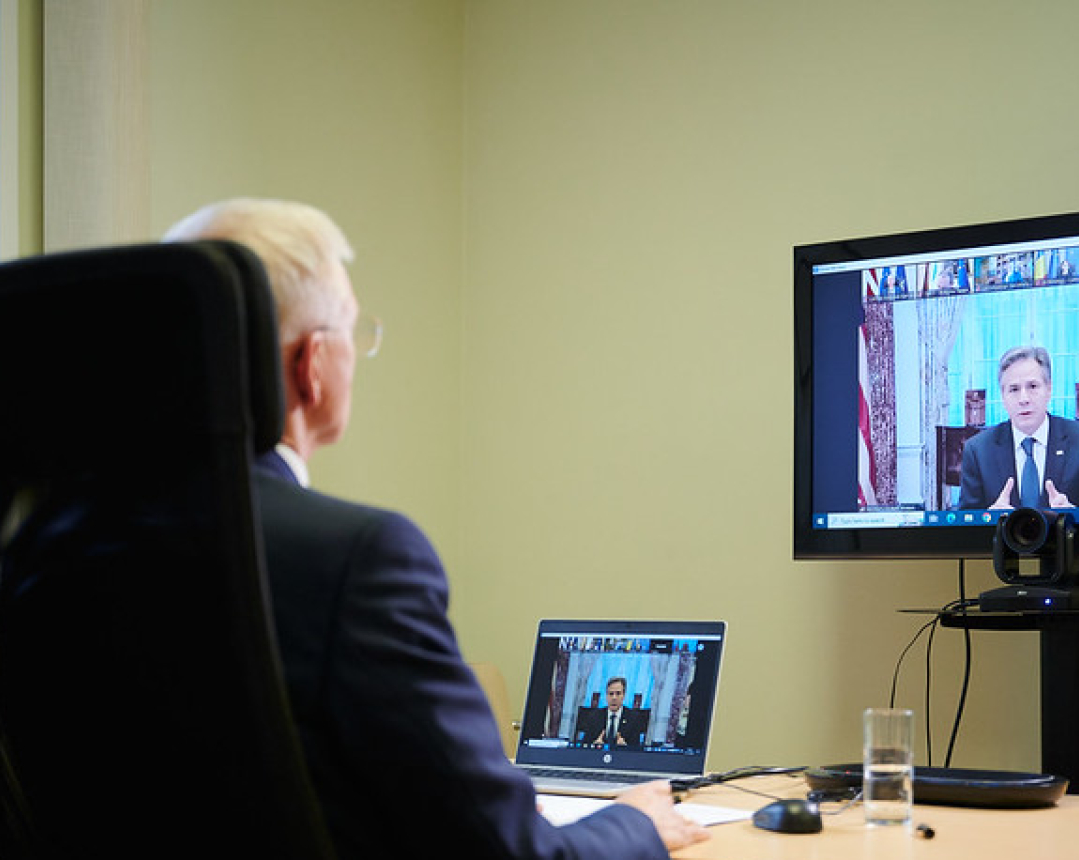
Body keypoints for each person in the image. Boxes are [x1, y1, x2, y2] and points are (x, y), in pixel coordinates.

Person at [164, 198, 706, 859]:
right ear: (311, 365)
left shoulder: (47, 549)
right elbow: (510, 855)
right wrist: (637, 824)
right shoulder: (356, 559)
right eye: (354, 331)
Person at [956, 345, 1079, 511]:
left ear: (1049, 389)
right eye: (1014, 389)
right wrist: (989, 520)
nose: (1024, 399)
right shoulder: (978, 450)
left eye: (1033, 386)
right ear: (1003, 396)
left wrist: (1074, 516)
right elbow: (967, 527)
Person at [581, 677, 647, 749]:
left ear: (624, 696)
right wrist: (594, 746)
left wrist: (626, 747)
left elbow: (636, 749)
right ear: (606, 696)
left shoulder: (634, 718)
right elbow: (584, 746)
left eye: (618, 694)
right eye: (611, 694)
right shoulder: (594, 716)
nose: (614, 698)